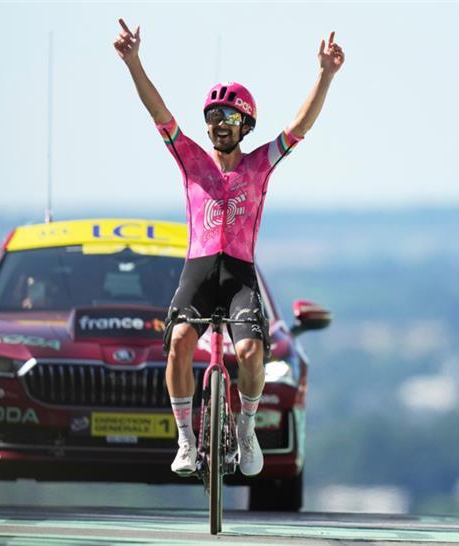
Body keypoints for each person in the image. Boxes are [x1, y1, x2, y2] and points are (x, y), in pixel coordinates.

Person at [114, 19, 344, 477]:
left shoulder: (260, 165)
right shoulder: (192, 159)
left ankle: (245, 430)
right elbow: (158, 112)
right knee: (179, 342)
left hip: (238, 275)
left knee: (252, 354)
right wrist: (133, 61)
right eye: (213, 118)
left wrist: (325, 75)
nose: (220, 125)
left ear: (245, 124)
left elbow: (299, 127)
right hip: (198, 273)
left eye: (230, 118)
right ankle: (185, 438)